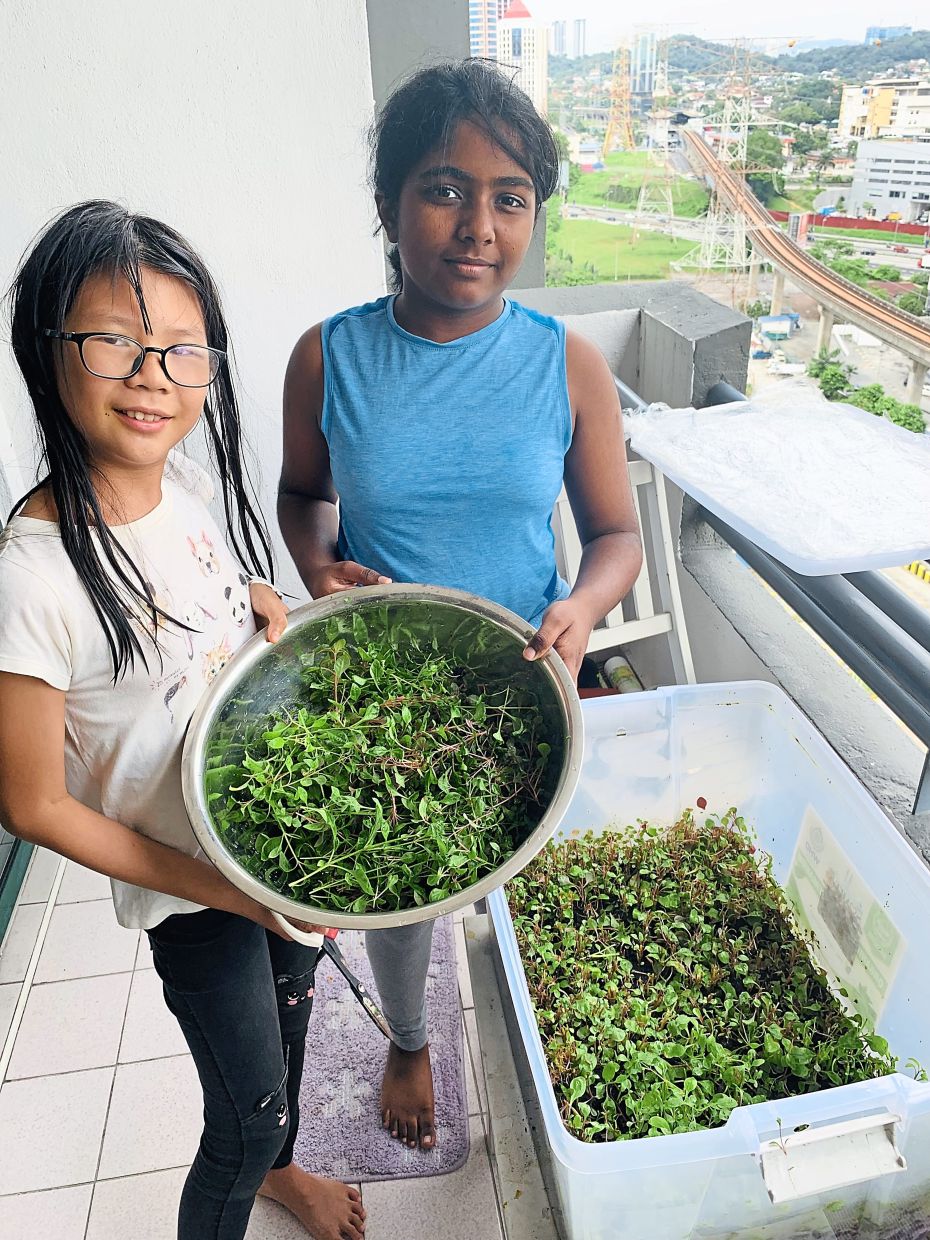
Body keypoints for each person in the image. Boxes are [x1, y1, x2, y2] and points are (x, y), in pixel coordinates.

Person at [278, 60, 643, 1153]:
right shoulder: (329, 355)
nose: (477, 225)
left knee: (537, 882)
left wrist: (583, 604)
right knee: (404, 887)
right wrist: (320, 566)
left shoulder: (564, 365)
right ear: (392, 203)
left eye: (510, 196)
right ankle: (405, 1033)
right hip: (388, 695)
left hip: (535, 679)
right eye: (444, 187)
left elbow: (618, 536)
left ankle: (553, 1040)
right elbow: (304, 497)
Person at [0, 201, 365, 1240]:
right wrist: (225, 891)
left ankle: (285, 1166)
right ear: (48, 345)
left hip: (271, 848)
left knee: (295, 1010)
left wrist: (251, 593)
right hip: (193, 894)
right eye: (116, 339)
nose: (152, 373)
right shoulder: (31, 578)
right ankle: (264, 1164)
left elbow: (191, 593)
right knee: (242, 1122)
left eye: (182, 348)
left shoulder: (184, 487)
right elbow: (29, 801)